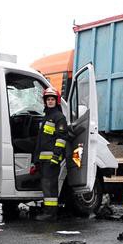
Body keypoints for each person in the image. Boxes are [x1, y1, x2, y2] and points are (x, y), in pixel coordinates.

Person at [32, 87, 69, 221]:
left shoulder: (59, 118)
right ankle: (48, 211)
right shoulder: (46, 117)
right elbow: (40, 141)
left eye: (53, 99)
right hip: (43, 160)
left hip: (52, 160)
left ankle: (51, 214)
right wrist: (35, 160)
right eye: (48, 99)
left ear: (57, 101)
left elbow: (61, 139)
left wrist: (55, 157)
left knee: (50, 187)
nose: (50, 101)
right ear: (45, 101)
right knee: (46, 186)